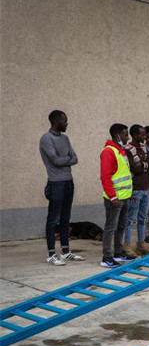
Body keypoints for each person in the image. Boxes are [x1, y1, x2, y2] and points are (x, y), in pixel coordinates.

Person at [39, 110, 84, 265]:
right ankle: (51, 254)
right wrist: (66, 159)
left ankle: (65, 252)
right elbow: (55, 161)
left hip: (68, 182)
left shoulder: (65, 138)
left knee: (65, 218)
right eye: (65, 121)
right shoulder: (46, 139)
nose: (67, 123)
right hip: (56, 183)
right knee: (53, 219)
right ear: (57, 121)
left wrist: (63, 158)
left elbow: (75, 158)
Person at [100, 123, 135, 268]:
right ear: (118, 136)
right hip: (114, 199)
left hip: (124, 197)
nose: (128, 138)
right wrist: (112, 196)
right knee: (110, 228)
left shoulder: (121, 151)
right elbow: (105, 176)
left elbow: (123, 174)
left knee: (121, 226)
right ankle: (106, 257)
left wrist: (129, 194)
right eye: (126, 135)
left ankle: (118, 252)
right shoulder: (108, 152)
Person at [123, 124, 149, 256]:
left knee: (143, 217)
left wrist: (142, 164)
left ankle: (141, 242)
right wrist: (145, 165)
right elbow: (135, 169)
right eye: (142, 134)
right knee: (130, 218)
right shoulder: (128, 150)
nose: (145, 137)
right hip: (135, 189)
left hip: (145, 187)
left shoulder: (143, 148)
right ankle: (127, 244)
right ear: (135, 135)